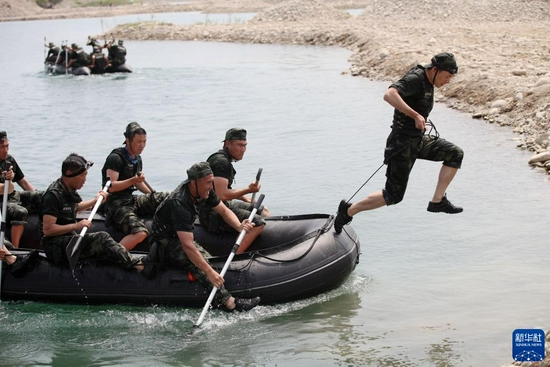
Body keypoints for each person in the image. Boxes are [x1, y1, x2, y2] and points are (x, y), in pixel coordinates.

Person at [334, 52, 465, 234]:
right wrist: (416, 115)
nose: (448, 81)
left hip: (417, 141)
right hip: (401, 143)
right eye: (447, 76)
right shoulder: (415, 78)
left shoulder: (429, 80)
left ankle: (437, 201)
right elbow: (389, 95)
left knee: (455, 153)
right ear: (435, 70)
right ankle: (348, 210)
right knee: (393, 195)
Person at [142, 162, 261, 312]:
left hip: (179, 236)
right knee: (203, 264)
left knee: (206, 260)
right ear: (194, 182)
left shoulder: (205, 189)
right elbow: (187, 246)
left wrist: (238, 226)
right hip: (164, 243)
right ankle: (230, 303)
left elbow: (223, 211)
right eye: (208, 182)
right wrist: (210, 273)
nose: (211, 186)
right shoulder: (179, 203)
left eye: (211, 181)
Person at [40, 153, 142, 269]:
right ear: (69, 174)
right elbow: (48, 230)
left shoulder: (68, 189)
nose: (85, 180)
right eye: (82, 176)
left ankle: (126, 261)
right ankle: (138, 265)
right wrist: (76, 225)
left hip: (68, 237)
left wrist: (95, 200)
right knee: (101, 237)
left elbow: (74, 207)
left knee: (100, 248)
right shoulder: (53, 196)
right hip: (55, 246)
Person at [199, 128, 270, 254]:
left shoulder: (222, 159)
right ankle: (236, 257)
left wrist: (243, 198)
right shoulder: (222, 162)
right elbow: (221, 195)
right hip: (211, 213)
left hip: (220, 205)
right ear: (228, 144)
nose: (243, 150)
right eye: (239, 145)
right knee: (257, 223)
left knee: (263, 210)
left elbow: (219, 190)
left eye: (245, 145)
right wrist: (248, 190)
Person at [101, 122, 168, 251]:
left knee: (166, 197)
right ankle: (114, 254)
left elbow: (138, 182)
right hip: (116, 205)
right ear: (128, 140)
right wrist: (133, 180)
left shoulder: (137, 158)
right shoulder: (115, 158)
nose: (142, 145)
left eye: (144, 141)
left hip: (131, 200)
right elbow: (111, 187)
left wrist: (153, 195)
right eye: (138, 142)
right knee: (141, 233)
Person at [0, 131, 42, 248]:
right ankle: (15, 249)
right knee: (20, 212)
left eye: (7, 146)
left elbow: (23, 182)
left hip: (13, 196)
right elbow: (5, 189)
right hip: (2, 203)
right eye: (2, 147)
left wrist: (35, 193)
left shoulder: (9, 160)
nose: (6, 150)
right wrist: (8, 180)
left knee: (43, 196)